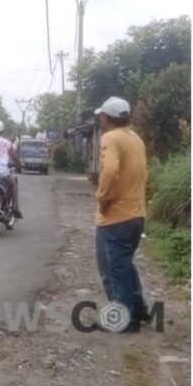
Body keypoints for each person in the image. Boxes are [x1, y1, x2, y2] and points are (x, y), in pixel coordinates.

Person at [94, 97, 149, 333]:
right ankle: (139, 311)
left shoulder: (110, 137)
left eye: (102, 117)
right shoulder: (135, 138)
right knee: (125, 265)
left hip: (116, 217)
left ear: (106, 118)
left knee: (113, 270)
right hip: (136, 215)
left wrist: (103, 198)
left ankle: (124, 320)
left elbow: (110, 169)